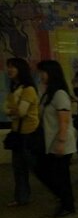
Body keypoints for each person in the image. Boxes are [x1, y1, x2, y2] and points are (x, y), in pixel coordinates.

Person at [35, 60, 77, 217]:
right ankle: (65, 200)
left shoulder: (60, 94)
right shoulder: (48, 94)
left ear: (51, 73)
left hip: (61, 142)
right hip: (51, 142)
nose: (40, 76)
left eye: (43, 72)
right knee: (50, 172)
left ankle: (68, 205)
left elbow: (64, 121)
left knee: (60, 176)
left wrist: (61, 142)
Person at [5, 57, 40, 207]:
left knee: (36, 167)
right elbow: (6, 109)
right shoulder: (15, 88)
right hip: (17, 133)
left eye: (13, 67)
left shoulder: (28, 89)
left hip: (29, 133)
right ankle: (21, 197)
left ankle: (61, 192)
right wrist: (11, 110)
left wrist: (11, 110)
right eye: (8, 67)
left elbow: (21, 112)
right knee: (18, 168)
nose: (9, 70)